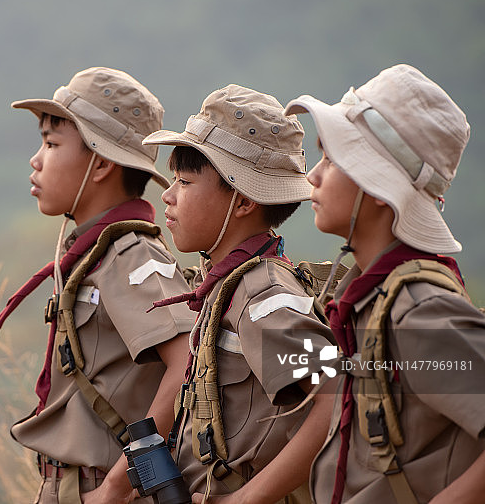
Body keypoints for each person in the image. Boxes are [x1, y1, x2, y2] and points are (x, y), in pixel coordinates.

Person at [0, 66, 195, 503]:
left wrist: (119, 484)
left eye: (52, 144)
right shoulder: (92, 256)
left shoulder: (130, 255)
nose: (36, 159)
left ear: (99, 163)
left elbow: (189, 360)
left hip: (103, 488)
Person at [285, 63, 485, 503]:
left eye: (332, 159)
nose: (313, 176)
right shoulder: (362, 299)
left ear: (377, 187)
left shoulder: (417, 310)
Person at [144, 85, 338, 503]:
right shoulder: (225, 284)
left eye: (184, 181)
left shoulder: (263, 294)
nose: (167, 194)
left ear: (243, 199)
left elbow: (336, 398)